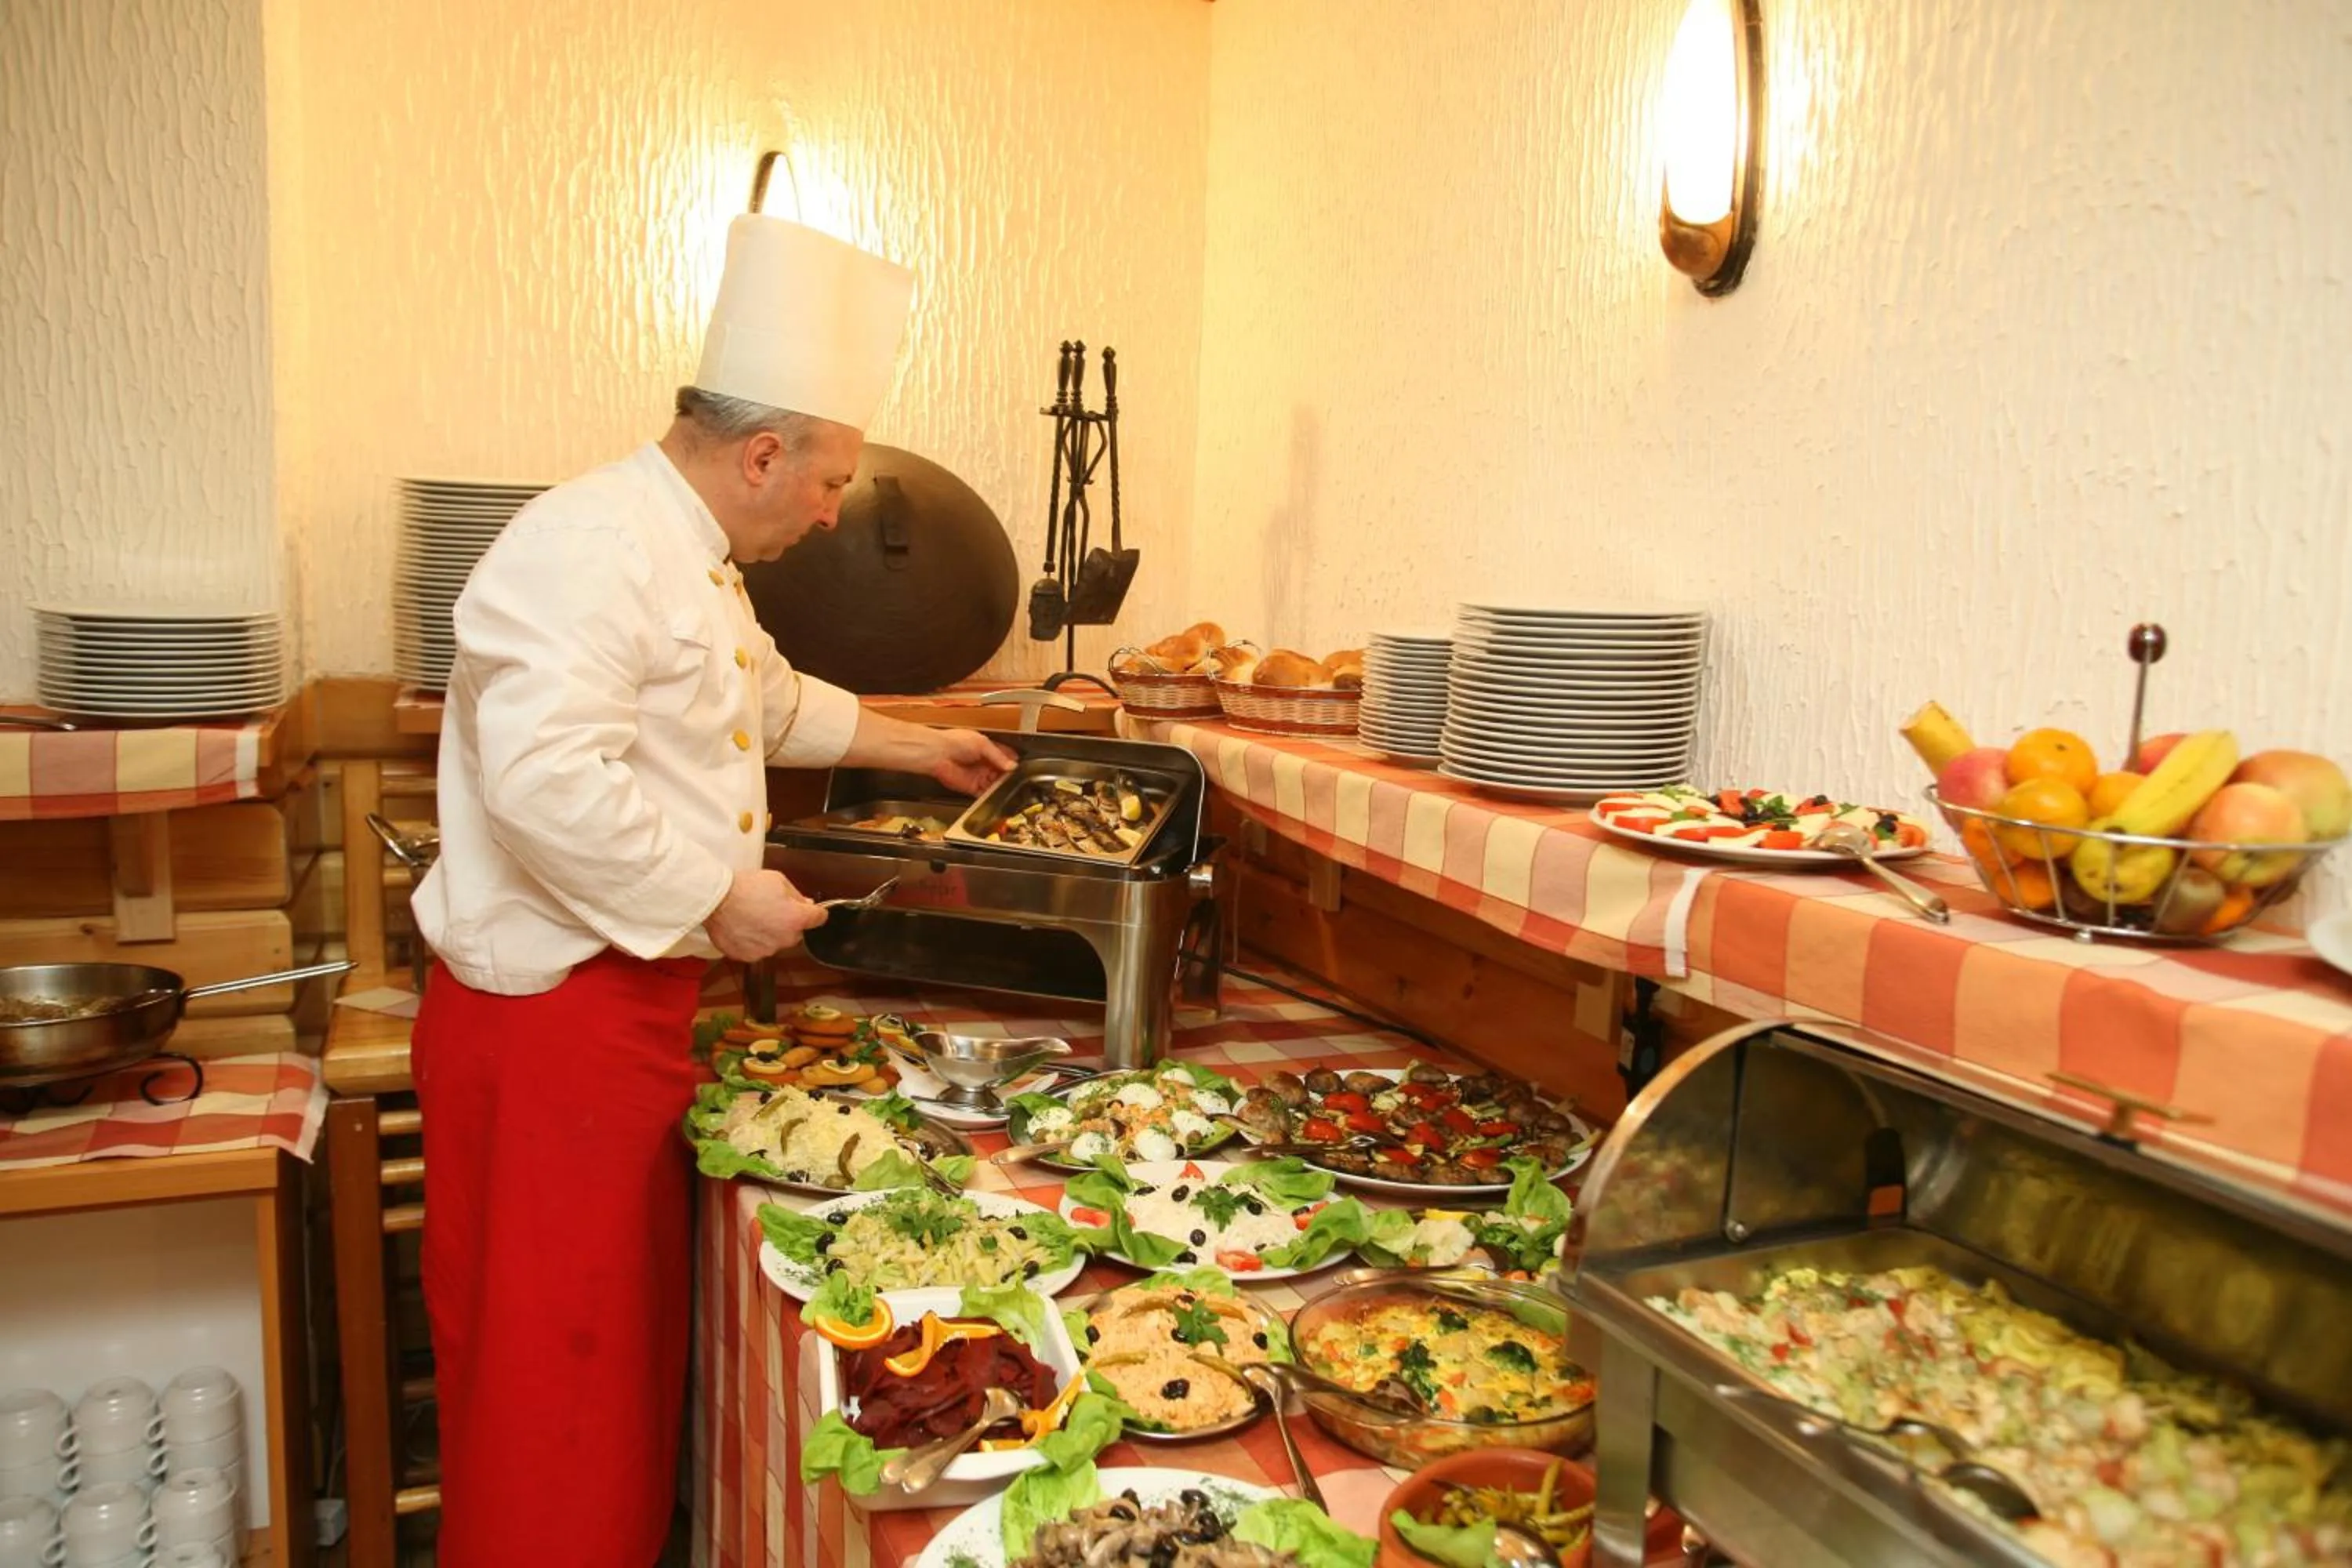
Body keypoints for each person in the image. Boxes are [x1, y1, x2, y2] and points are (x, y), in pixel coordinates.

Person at [407, 213, 1014, 1566]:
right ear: (762, 454)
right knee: (546, 1395)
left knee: (611, 1382)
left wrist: (921, 741)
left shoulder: (692, 555)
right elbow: (545, 782)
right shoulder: (582, 545)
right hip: (547, 1027)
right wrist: (716, 898)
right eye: (829, 481)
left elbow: (761, 701)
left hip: (628, 1015)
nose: (832, 509)